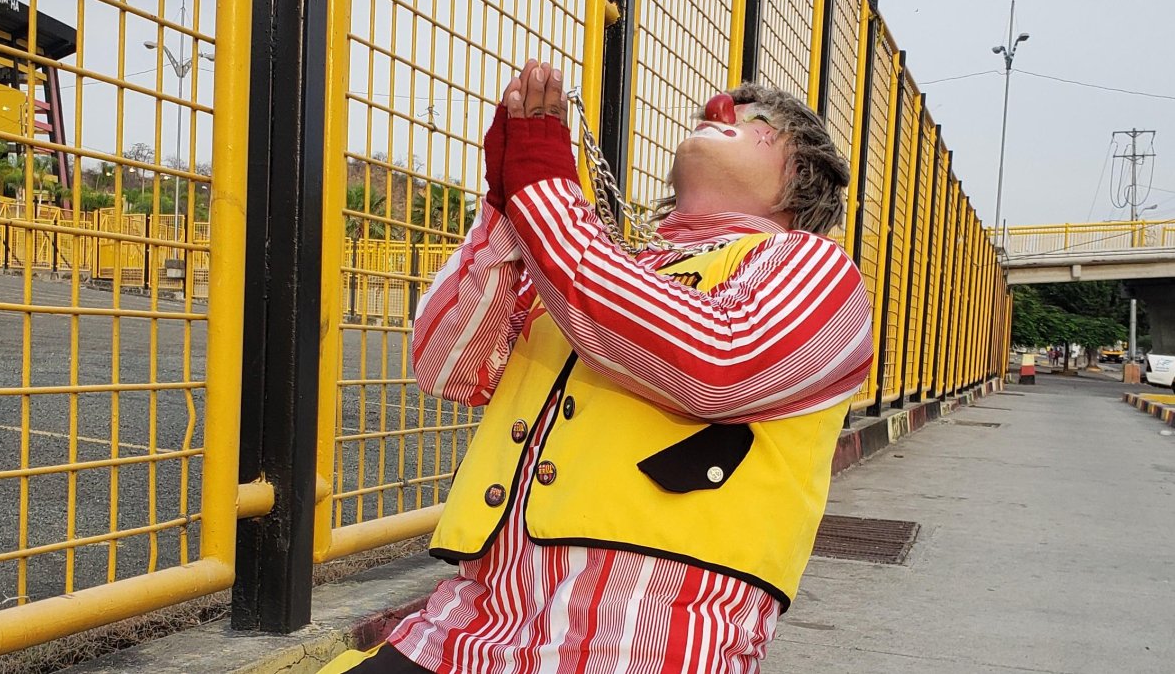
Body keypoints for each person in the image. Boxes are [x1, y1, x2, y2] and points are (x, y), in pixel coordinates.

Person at [326, 59, 873, 673]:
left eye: (761, 121)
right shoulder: (590, 265)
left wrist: (544, 197)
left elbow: (713, 365)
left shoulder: (817, 271)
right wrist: (509, 209)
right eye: (712, 114)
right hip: (471, 623)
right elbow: (449, 366)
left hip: (650, 633)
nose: (721, 110)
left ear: (803, 180)